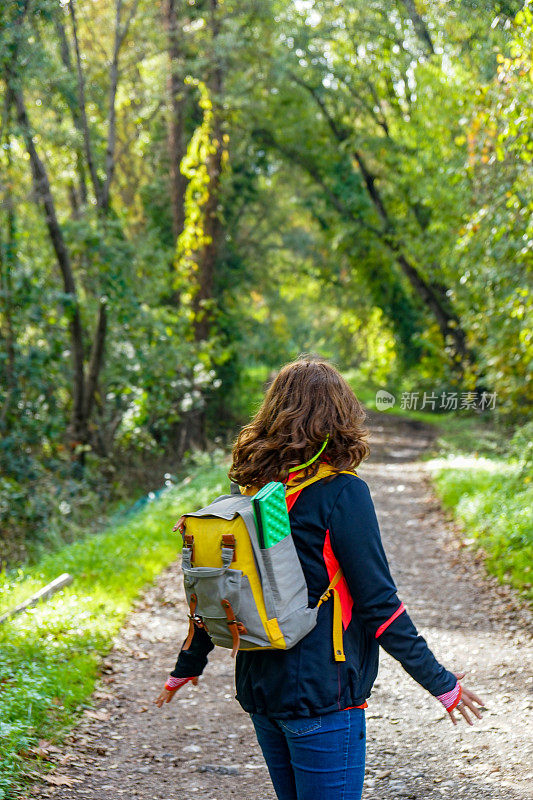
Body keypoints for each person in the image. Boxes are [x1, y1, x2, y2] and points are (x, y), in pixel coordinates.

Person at [155, 357, 485, 800]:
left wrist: (187, 665)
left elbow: (216, 588)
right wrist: (442, 684)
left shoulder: (253, 492)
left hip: (261, 689)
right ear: (340, 416)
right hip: (322, 696)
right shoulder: (344, 493)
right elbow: (379, 605)